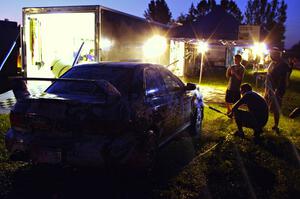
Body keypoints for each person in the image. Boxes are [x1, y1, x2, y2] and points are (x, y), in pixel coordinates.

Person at [264, 47, 290, 133]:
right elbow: (269, 75)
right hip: (269, 88)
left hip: (277, 90)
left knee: (276, 107)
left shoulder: (283, 65)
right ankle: (262, 120)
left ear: (277, 55)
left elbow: (284, 80)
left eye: (272, 54)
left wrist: (277, 91)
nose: (271, 56)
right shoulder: (272, 63)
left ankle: (276, 125)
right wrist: (267, 89)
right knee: (266, 105)